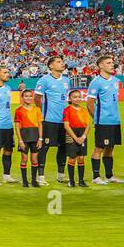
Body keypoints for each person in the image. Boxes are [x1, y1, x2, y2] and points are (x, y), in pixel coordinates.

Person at [34, 56, 70, 186]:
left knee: (63, 147)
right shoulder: (44, 80)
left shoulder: (66, 80)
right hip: (49, 120)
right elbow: (37, 98)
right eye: (59, 62)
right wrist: (41, 116)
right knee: (44, 147)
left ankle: (61, 174)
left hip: (64, 121)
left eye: (62, 62)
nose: (62, 64)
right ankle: (41, 176)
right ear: (51, 66)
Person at [86, 55, 122, 185]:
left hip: (115, 120)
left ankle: (109, 176)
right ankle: (96, 177)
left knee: (110, 148)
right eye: (108, 63)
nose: (112, 65)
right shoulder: (96, 82)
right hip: (103, 121)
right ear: (101, 66)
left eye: (112, 62)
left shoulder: (116, 80)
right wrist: (97, 120)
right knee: (99, 148)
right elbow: (89, 103)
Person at [13, 88, 43, 188]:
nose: (28, 98)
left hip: (35, 136)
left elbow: (40, 125)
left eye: (30, 96)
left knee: (34, 159)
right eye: (26, 96)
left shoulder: (37, 109)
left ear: (33, 97)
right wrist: (20, 140)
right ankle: (25, 181)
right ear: (22, 97)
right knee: (24, 158)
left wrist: (40, 139)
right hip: (24, 137)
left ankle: (34, 181)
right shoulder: (18, 110)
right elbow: (17, 126)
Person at [62, 89, 92, 187]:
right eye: (74, 97)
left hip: (82, 134)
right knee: (72, 158)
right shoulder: (67, 110)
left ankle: (81, 181)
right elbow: (66, 126)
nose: (77, 99)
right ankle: (71, 181)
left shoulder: (84, 109)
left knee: (81, 158)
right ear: (70, 99)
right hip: (71, 135)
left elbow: (88, 125)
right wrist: (75, 138)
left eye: (79, 97)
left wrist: (83, 136)